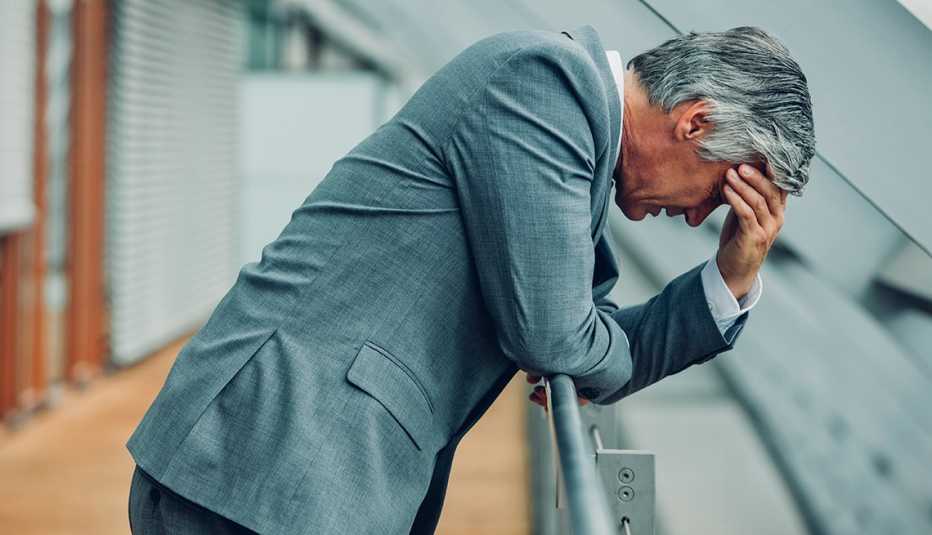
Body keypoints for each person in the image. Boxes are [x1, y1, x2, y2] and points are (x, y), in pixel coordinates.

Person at [126, 24, 814, 534]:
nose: (696, 218)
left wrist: (729, 277)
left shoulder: (574, 149)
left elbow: (586, 342)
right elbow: (557, 338)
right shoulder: (547, 86)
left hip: (290, 473)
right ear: (696, 121)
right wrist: (574, 345)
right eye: (714, 193)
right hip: (271, 459)